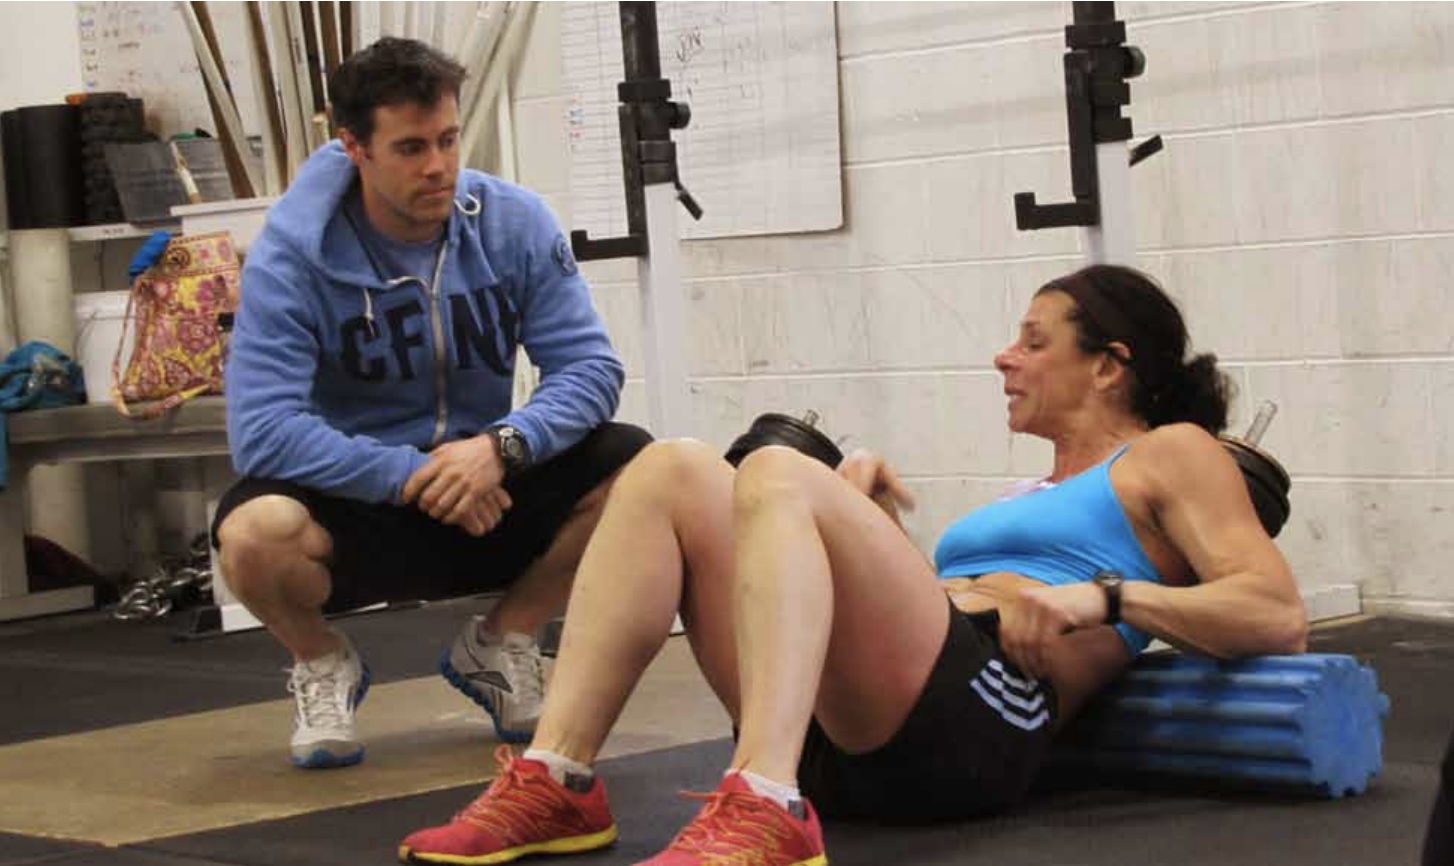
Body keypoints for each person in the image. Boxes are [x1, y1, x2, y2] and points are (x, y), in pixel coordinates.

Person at [397, 265, 1309, 865]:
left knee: (777, 473)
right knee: (670, 466)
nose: (1005, 355)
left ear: (1111, 367)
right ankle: (560, 779)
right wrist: (854, 522)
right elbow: (919, 627)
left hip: (982, 729)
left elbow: (1276, 613)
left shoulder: (1172, 452)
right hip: (863, 727)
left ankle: (764, 801)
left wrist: (1109, 597)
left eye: (1034, 340)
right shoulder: (1027, 494)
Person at [212, 37, 650, 770]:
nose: (438, 165)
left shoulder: (514, 222)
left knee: (642, 469)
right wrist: (412, 475)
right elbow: (262, 432)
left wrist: (501, 449)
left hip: (488, 485)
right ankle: (321, 660)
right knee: (253, 534)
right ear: (354, 147)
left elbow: (589, 368)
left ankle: (503, 640)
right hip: (363, 503)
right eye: (411, 147)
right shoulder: (292, 256)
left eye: (447, 139)